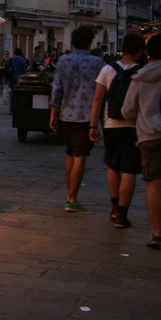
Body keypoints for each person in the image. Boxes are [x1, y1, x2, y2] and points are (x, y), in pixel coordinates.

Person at [89, 33, 146, 228]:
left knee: (112, 166)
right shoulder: (143, 72)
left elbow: (97, 99)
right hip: (134, 126)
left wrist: (92, 125)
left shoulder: (107, 69)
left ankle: (114, 208)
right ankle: (122, 214)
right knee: (129, 170)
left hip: (110, 124)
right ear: (139, 52)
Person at [49, 26, 104, 212]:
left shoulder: (64, 60)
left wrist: (53, 113)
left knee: (70, 152)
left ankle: (70, 194)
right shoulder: (97, 63)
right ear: (90, 43)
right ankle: (72, 199)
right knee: (81, 155)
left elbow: (57, 88)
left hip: (66, 114)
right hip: (87, 116)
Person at [121, 33, 161, 249]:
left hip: (149, 135)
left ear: (147, 53)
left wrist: (141, 119)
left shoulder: (140, 78)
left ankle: (156, 232)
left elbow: (127, 110)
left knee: (154, 184)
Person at [6, 48, 29, 113]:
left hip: (12, 79)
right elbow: (24, 72)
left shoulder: (11, 60)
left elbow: (8, 68)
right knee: (20, 94)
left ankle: (12, 109)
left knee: (13, 94)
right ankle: (19, 108)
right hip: (20, 79)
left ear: (14, 53)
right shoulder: (23, 61)